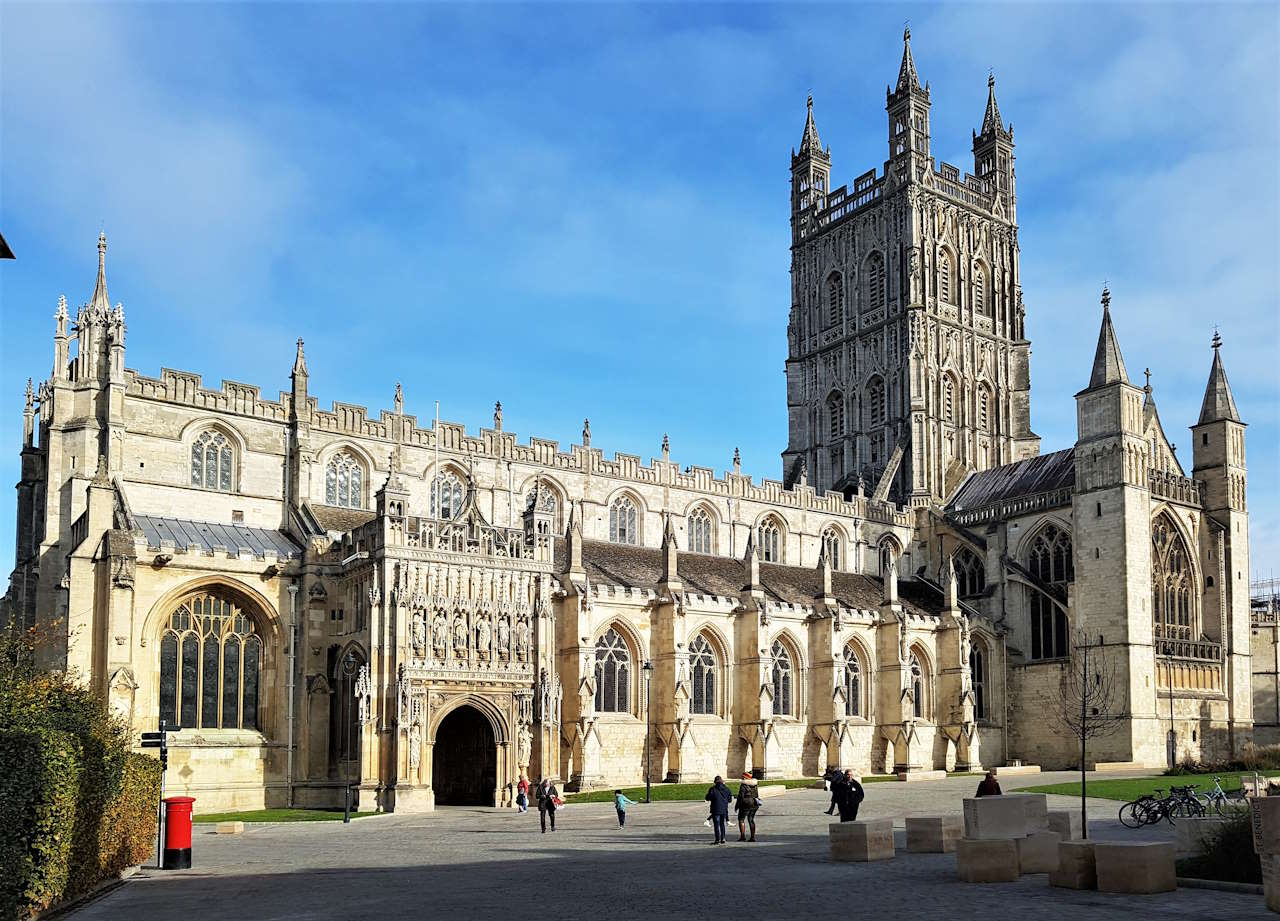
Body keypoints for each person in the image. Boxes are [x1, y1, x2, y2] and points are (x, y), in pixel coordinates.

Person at [704, 776, 733, 844]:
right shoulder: (727, 789)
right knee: (722, 824)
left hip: (715, 809)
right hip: (724, 809)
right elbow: (730, 800)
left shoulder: (712, 789)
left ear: (715, 782)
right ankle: (723, 838)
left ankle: (717, 839)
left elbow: (708, 798)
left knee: (716, 825)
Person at [735, 772, 760, 842]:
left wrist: (737, 806)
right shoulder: (755, 784)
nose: (741, 778)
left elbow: (740, 796)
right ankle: (752, 837)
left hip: (745, 804)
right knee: (751, 819)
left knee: (741, 819)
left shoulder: (743, 785)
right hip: (754, 803)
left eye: (743, 777)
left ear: (745, 778)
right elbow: (757, 795)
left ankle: (742, 836)